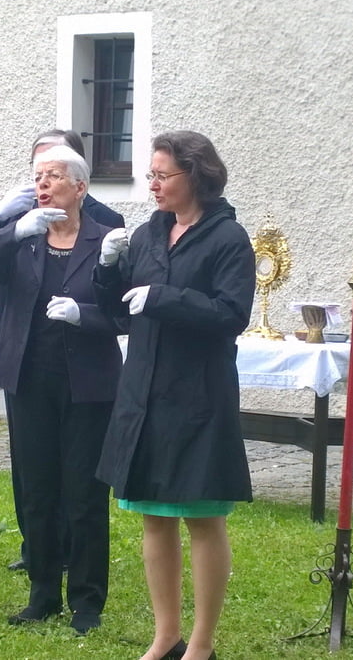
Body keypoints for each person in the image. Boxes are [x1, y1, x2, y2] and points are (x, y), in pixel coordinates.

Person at [93, 131, 255, 660]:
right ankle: (166, 635)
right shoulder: (148, 234)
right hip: (144, 393)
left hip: (197, 395)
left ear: (196, 175)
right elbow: (120, 311)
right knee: (154, 516)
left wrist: (163, 297)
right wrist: (107, 269)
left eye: (162, 175)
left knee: (203, 519)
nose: (153, 185)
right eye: (151, 175)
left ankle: (201, 644)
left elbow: (231, 314)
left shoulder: (228, 238)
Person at [0, 145, 122, 635]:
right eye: (39, 176)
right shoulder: (24, 235)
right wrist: (12, 230)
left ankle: (87, 601)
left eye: (54, 176)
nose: (43, 184)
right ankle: (42, 594)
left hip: (88, 383)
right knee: (37, 489)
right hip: (28, 377)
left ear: (80, 187)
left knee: (84, 494)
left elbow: (123, 313)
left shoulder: (104, 236)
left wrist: (84, 316)